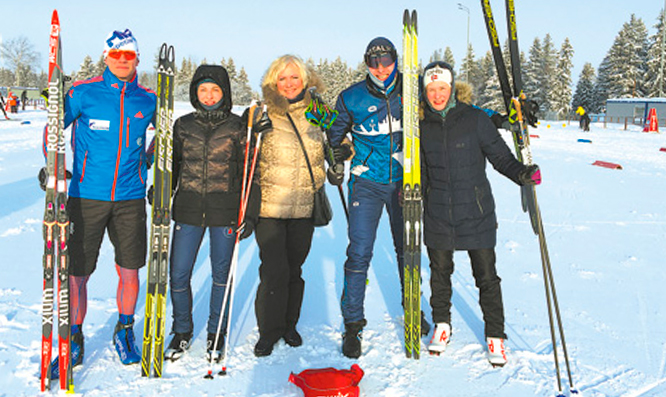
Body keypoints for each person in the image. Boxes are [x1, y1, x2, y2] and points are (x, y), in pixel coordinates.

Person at [39, 29, 156, 375]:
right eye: (117, 54)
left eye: (129, 55)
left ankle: (125, 330)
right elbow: (52, 127)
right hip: (84, 197)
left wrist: (147, 161)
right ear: (106, 57)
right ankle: (74, 337)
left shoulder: (147, 100)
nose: (123, 60)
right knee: (77, 273)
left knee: (130, 270)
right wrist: (54, 164)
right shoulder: (83, 93)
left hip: (130, 198)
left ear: (137, 59)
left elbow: (163, 137)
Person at [418, 61, 541, 366]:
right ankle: (442, 325)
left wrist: (522, 174)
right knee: (439, 275)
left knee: (486, 277)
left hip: (476, 211)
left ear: (452, 89)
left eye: (442, 88)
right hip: (437, 213)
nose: (436, 95)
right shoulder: (421, 126)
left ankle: (495, 335)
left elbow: (500, 158)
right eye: (431, 89)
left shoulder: (475, 119)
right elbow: (419, 172)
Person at [326, 37, 430, 359]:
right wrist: (337, 156)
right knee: (359, 252)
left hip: (404, 181)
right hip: (366, 182)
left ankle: (413, 309)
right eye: (374, 63)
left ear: (396, 61)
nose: (381, 69)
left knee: (406, 249)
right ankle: (353, 323)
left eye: (387, 62)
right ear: (366, 64)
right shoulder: (351, 97)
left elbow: (449, 109)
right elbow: (334, 135)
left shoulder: (413, 90)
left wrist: (498, 119)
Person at [163, 64, 266, 362]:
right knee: (179, 274)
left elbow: (252, 171)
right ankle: (182, 331)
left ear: (225, 93)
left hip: (225, 209)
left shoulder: (238, 127)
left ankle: (216, 332)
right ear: (195, 92)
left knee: (221, 274)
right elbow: (174, 164)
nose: (209, 96)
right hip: (188, 208)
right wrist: (162, 192)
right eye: (202, 90)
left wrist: (251, 210)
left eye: (215, 90)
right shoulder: (183, 125)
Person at [253, 55, 327, 357]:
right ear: (273, 82)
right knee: (274, 270)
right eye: (282, 78)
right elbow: (245, 152)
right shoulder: (261, 112)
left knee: (294, 269)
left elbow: (338, 142)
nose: (289, 83)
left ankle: (289, 324)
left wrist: (339, 157)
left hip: (304, 207)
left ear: (305, 80)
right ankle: (269, 331)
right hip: (270, 207)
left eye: (294, 77)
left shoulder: (319, 112)